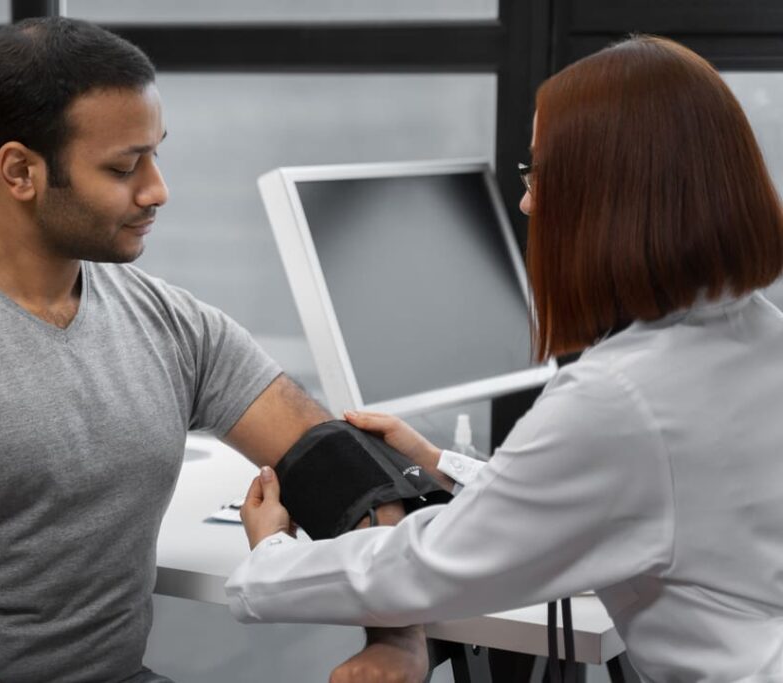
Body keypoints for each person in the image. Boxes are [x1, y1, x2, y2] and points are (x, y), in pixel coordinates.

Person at [0, 17, 426, 683]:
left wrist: (400, 638)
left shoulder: (174, 325)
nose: (157, 189)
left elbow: (340, 472)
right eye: (124, 167)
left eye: (155, 155)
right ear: (20, 171)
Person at [228, 34, 783, 681]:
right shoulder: (757, 329)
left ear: (607, 195)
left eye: (540, 172)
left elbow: (430, 566)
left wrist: (268, 557)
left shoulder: (623, 399)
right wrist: (443, 464)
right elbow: (631, 492)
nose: (526, 201)